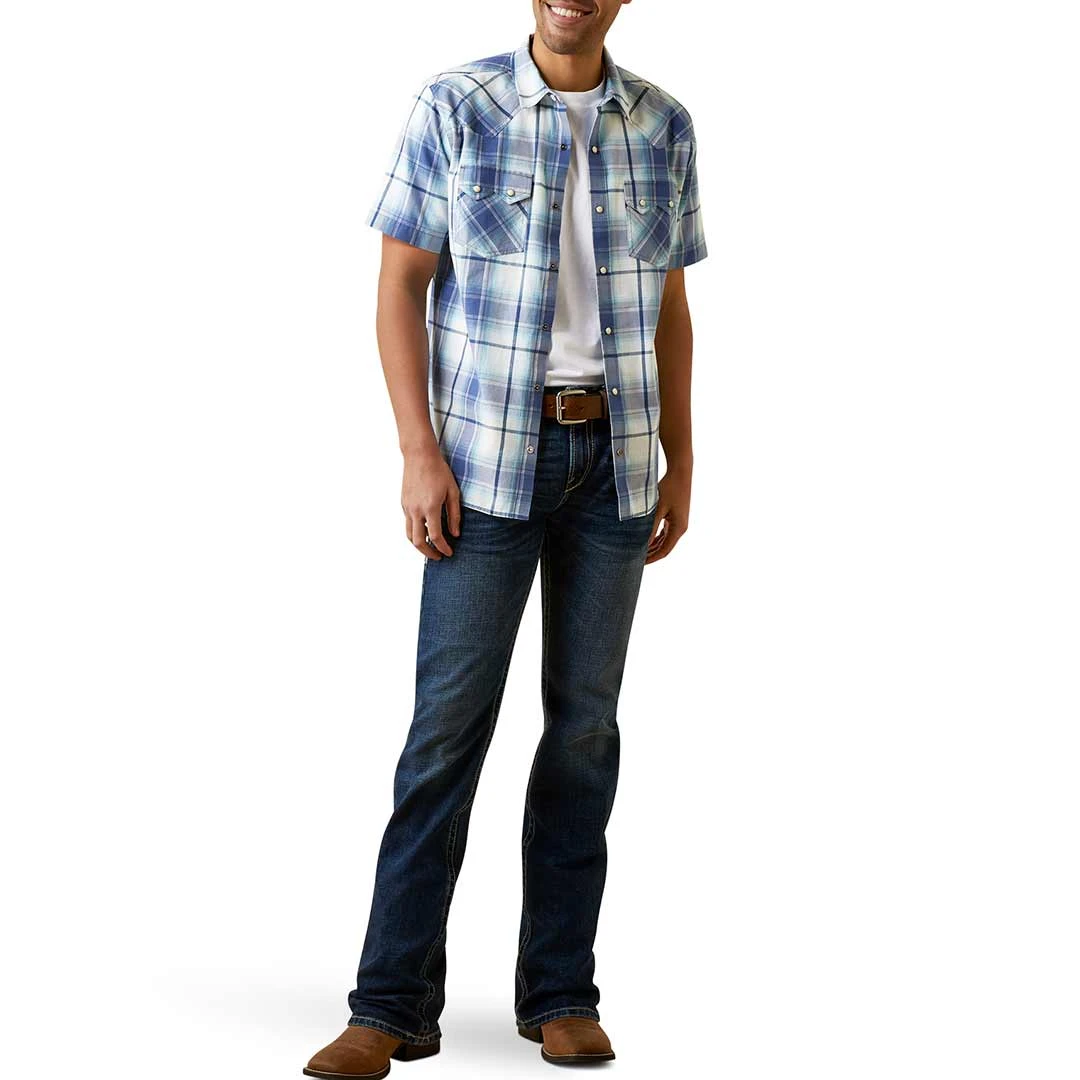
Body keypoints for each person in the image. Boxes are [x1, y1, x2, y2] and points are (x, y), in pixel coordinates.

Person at [304, 2, 707, 1075]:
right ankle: (388, 1005)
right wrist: (416, 450)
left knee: (584, 732)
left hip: (614, 464)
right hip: (484, 465)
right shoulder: (456, 105)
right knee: (446, 731)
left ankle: (561, 991)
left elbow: (670, 305)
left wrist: (681, 455)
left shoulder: (663, 122)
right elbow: (400, 285)